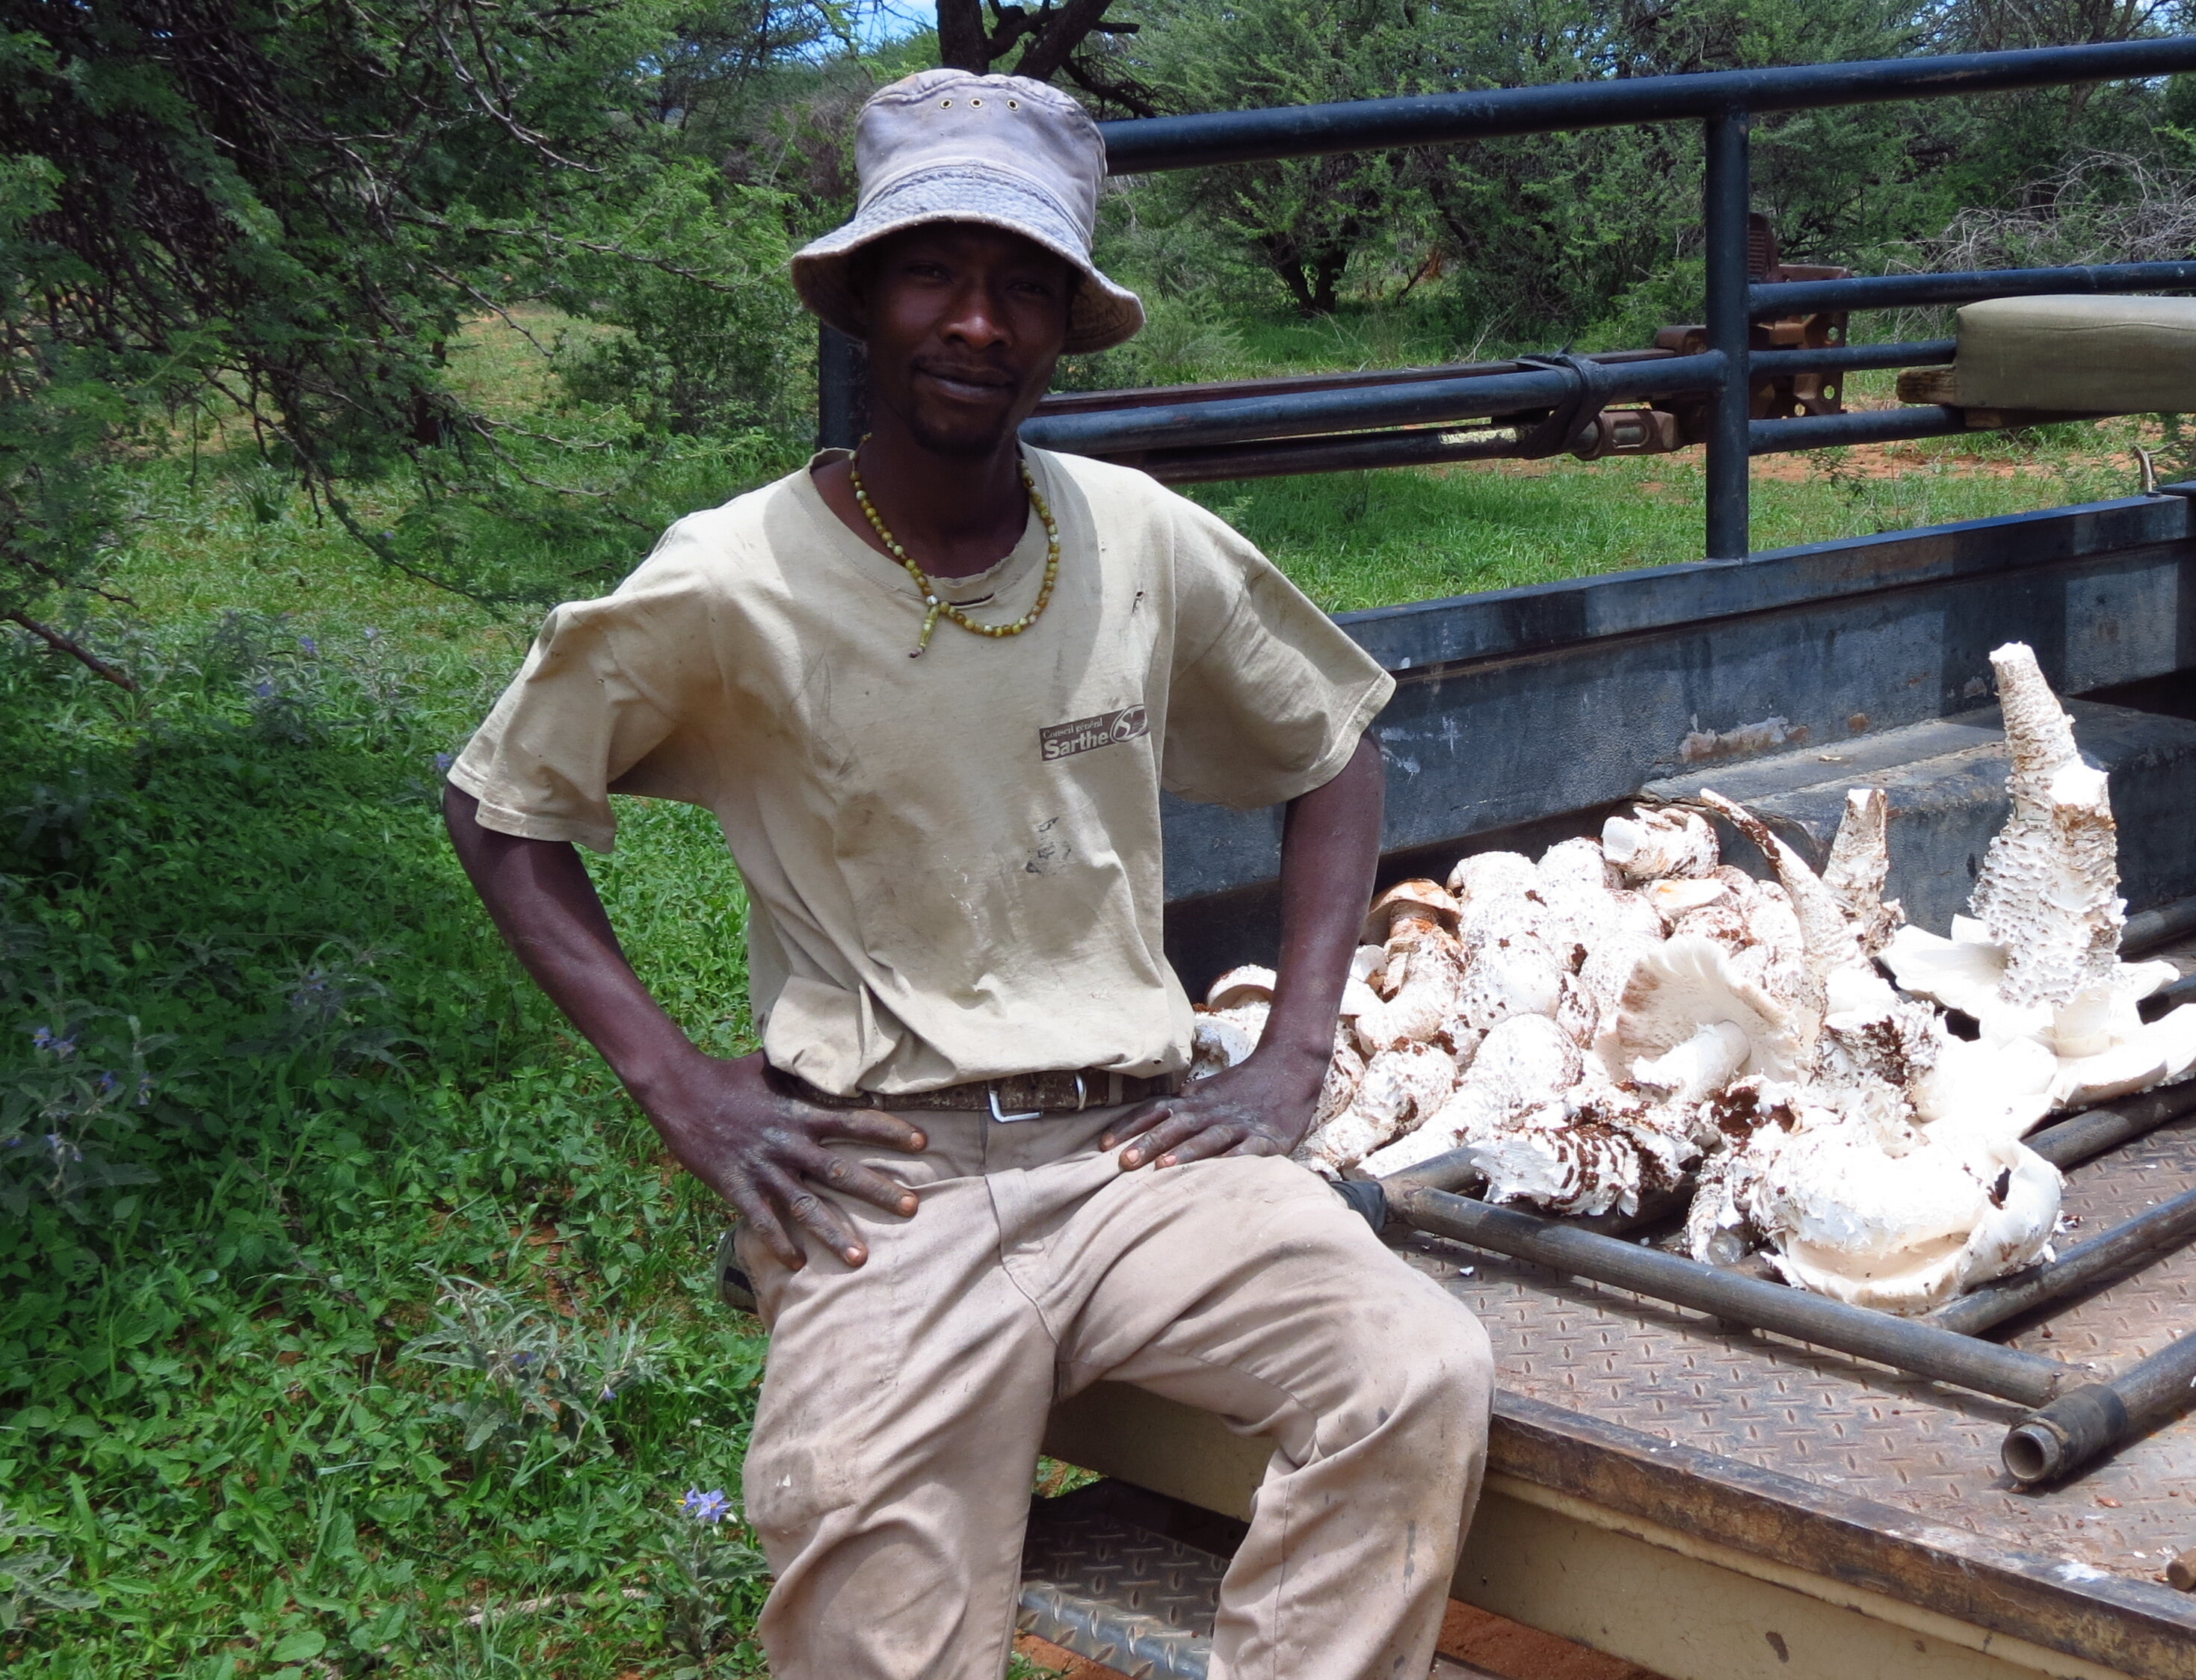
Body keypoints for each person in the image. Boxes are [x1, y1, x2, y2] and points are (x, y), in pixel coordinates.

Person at [440, 67, 1494, 1680]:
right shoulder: (734, 577)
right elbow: (503, 804)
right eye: (933, 268)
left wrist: (1291, 1049)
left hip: (1141, 1159)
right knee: (868, 1598)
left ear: (1067, 323)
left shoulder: (1134, 535)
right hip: (889, 1180)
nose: (976, 322)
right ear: (863, 293)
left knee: (1410, 1369)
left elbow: (1330, 743)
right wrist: (680, 1090)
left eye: (1022, 285)